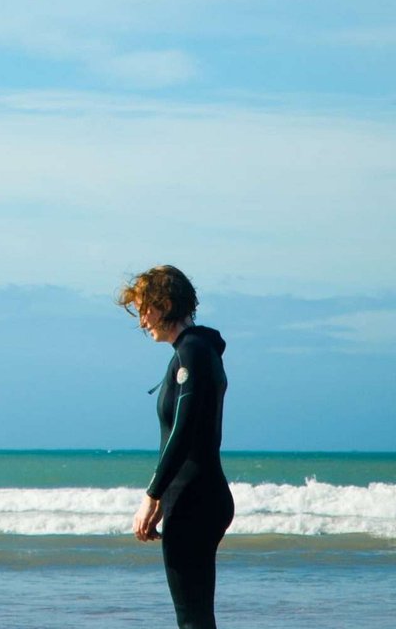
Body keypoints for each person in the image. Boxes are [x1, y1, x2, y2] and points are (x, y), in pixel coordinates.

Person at [118, 264, 234, 629]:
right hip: (195, 496)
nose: (141, 322)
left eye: (144, 310)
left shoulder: (193, 353)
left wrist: (153, 495)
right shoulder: (194, 351)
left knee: (192, 619)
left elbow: (183, 431)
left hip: (195, 499)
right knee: (196, 616)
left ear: (165, 303)